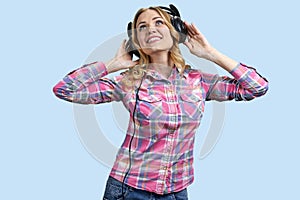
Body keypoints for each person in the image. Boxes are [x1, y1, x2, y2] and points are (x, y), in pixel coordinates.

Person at [53, 4, 268, 200]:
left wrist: (210, 53)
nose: (150, 29)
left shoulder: (199, 81)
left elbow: (257, 87)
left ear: (176, 32)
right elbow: (65, 89)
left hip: (176, 192)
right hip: (128, 190)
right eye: (142, 27)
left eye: (159, 22)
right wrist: (113, 64)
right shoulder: (128, 81)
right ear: (136, 41)